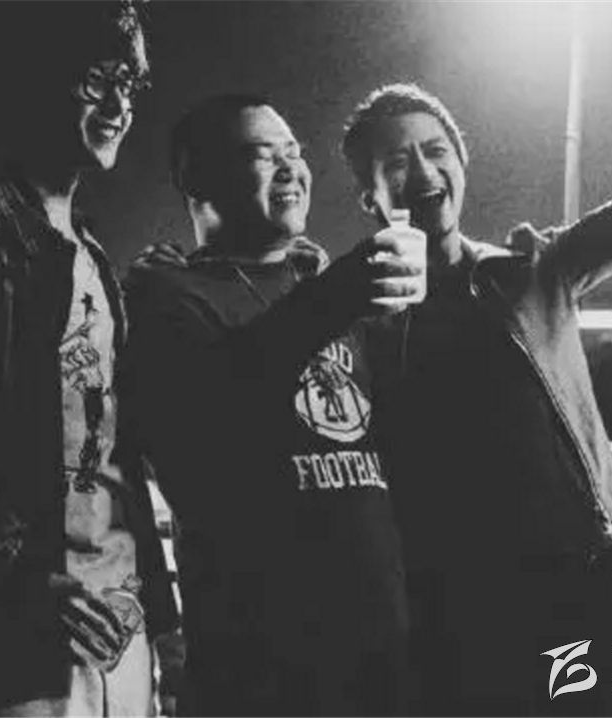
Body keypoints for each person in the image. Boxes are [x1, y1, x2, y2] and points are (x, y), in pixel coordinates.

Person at [340, 3, 612, 715]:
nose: (422, 170)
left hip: (591, 595)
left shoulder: (535, 271)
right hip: (464, 621)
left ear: (461, 164)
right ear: (370, 196)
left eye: (435, 150)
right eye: (397, 161)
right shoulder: (358, 323)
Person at [123, 94, 425, 715]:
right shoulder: (165, 299)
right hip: (261, 665)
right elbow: (207, 432)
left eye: (295, 152)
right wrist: (339, 294)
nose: (291, 168)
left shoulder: (320, 282)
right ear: (197, 179)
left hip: (382, 650)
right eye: (263, 154)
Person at [0, 3, 176, 715]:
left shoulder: (93, 255)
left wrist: (162, 617)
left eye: (129, 85)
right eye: (95, 81)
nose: (118, 106)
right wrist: (20, 578)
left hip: (118, 632)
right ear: (36, 80)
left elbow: (118, 452)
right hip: (18, 643)